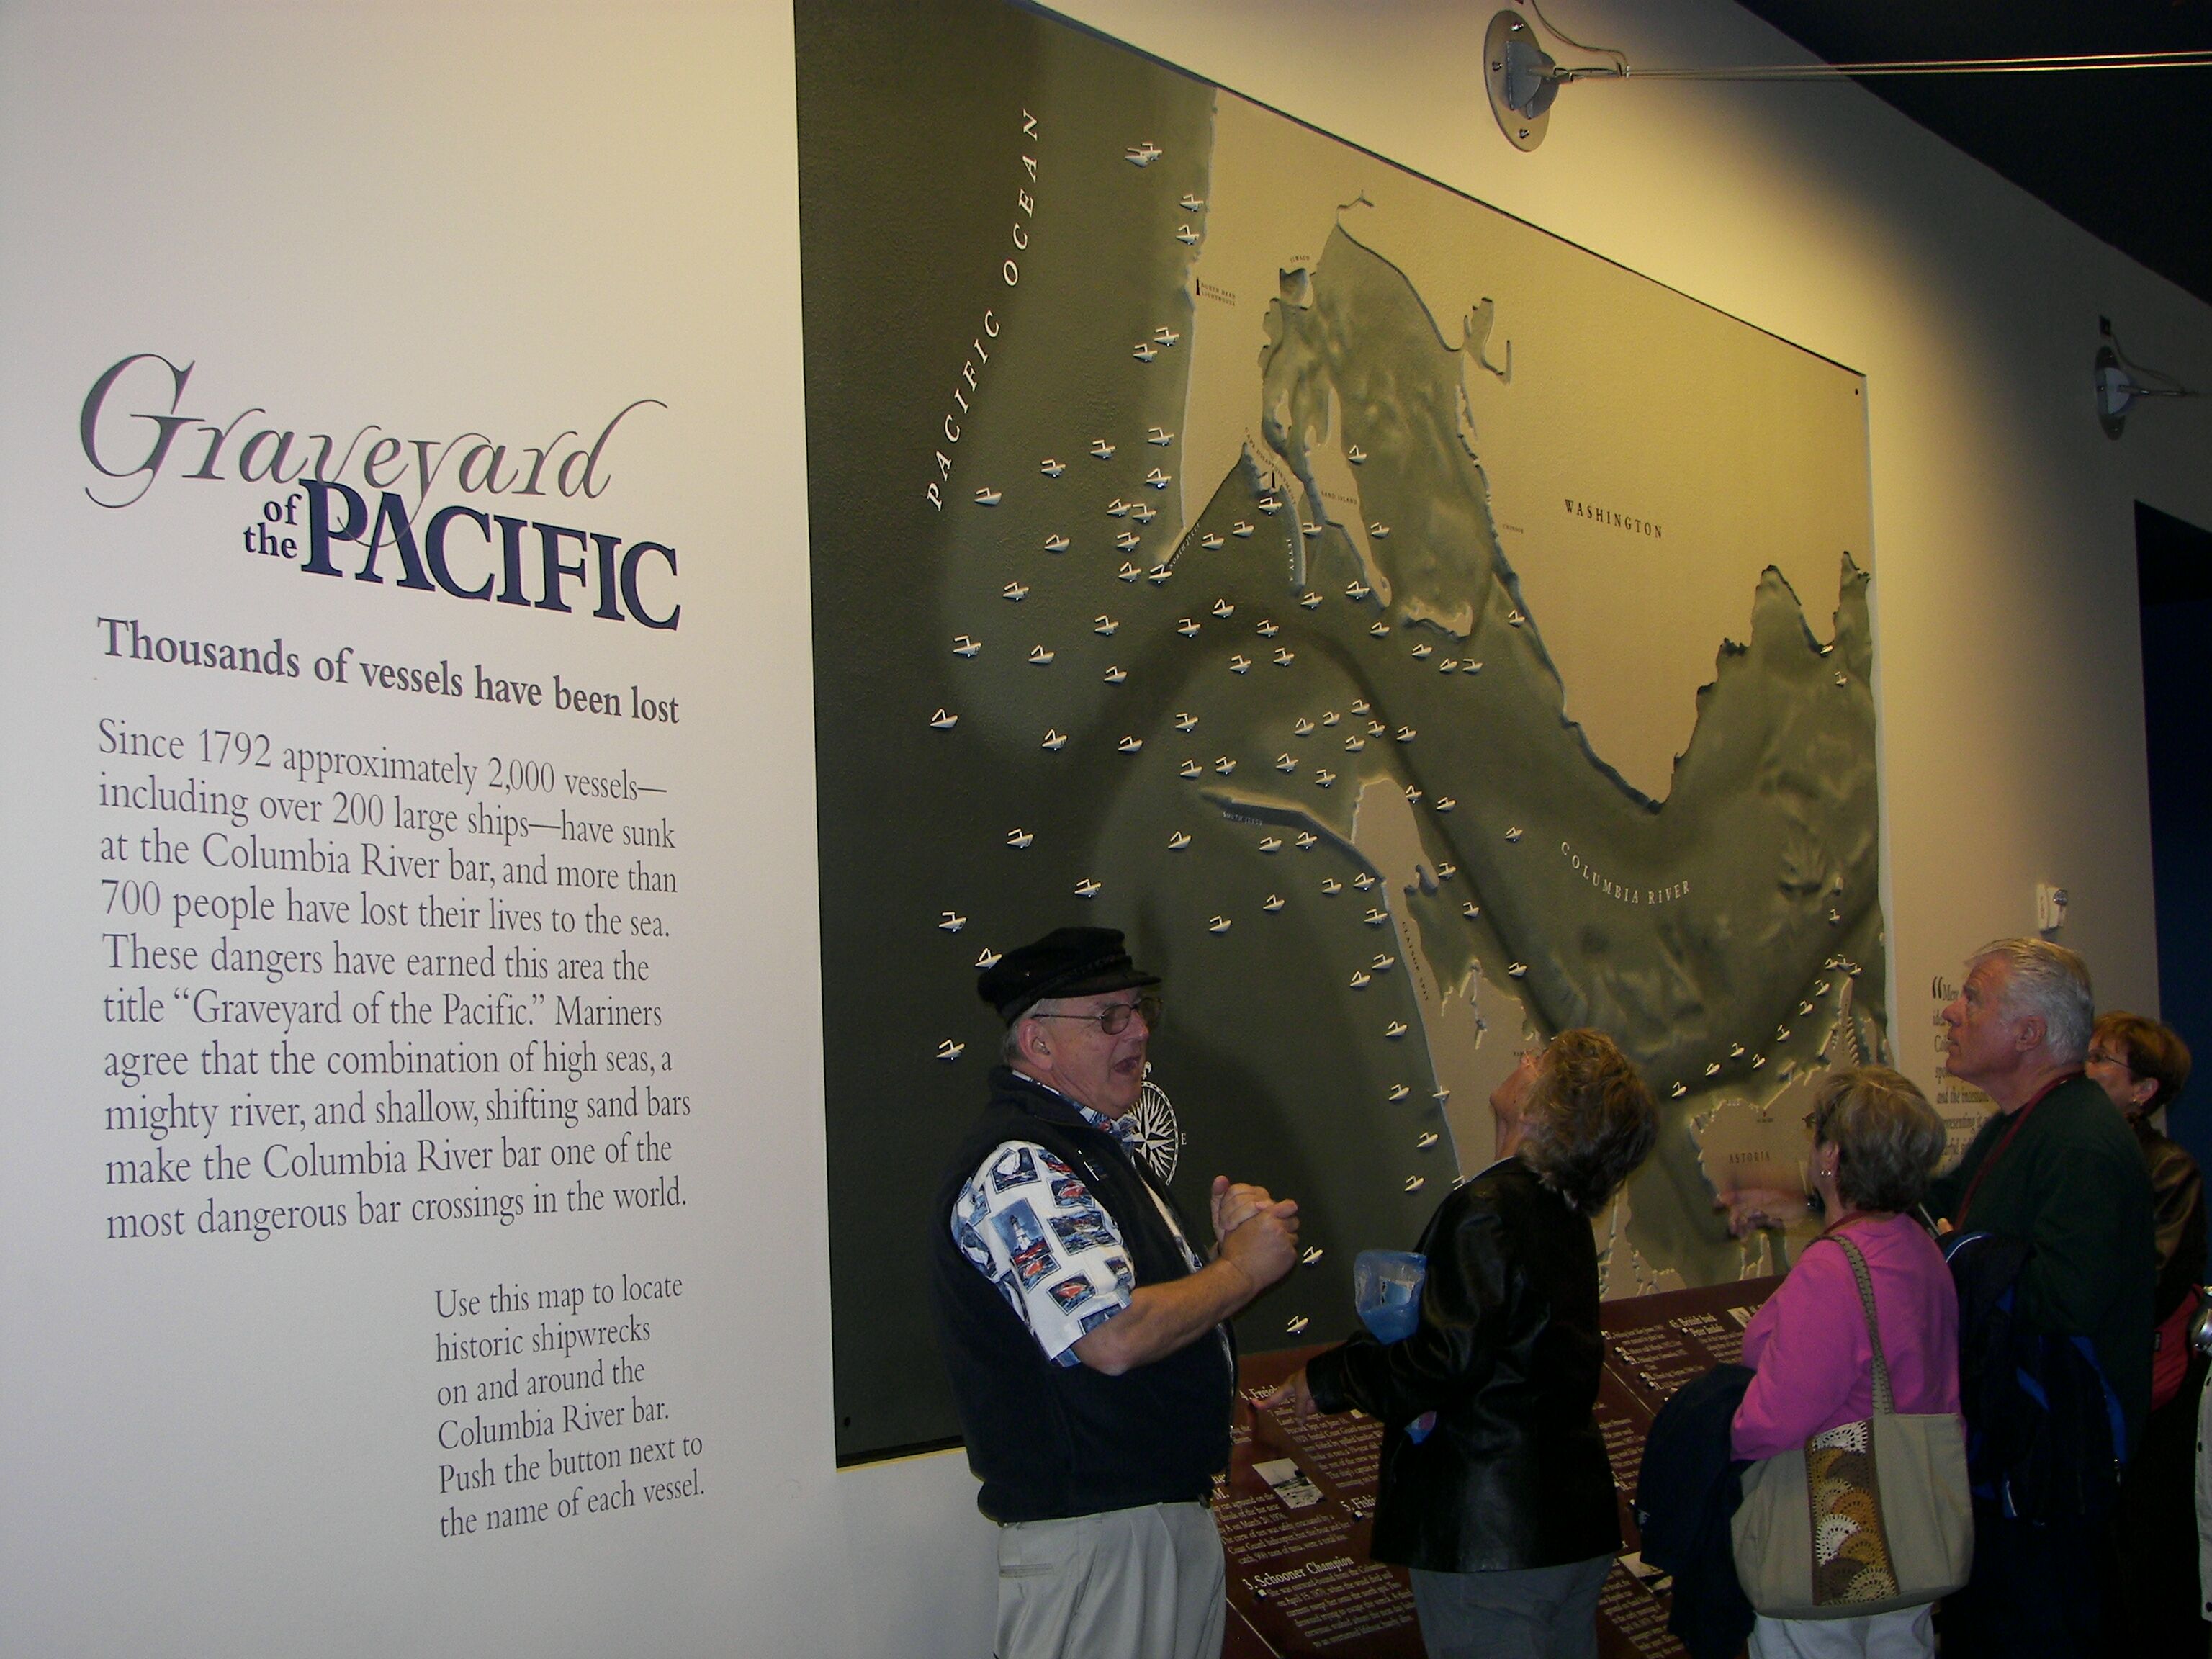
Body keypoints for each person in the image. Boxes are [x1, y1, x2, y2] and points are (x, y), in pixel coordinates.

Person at [927, 925, 1300, 1659]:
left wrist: (1224, 1254)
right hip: (1098, 1546)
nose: (1138, 1033)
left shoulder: (1093, 1150)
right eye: (1109, 1018)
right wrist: (1242, 1271)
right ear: (1038, 1042)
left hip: (1146, 1532)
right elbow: (1112, 1337)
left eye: (1140, 1010)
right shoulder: (1021, 1165)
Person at [1264, 1030, 1658, 1659]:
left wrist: (1332, 1378)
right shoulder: (1561, 1216)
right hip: (1565, 1524)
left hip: (1491, 1537)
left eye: (1539, 1063)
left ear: (1543, 1111)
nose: (1522, 1058)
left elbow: (1447, 1358)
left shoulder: (1489, 1208)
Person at [1921, 939, 2156, 1655]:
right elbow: (1943, 1207)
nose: (1951, 1013)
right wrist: (1828, 1190)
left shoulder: (2079, 1137)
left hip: (2053, 1477)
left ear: (2028, 1033)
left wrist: (1967, 1251)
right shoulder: (2022, 1122)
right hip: (2014, 1467)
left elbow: (2071, 1296)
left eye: (1974, 998)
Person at [1730, 1066, 1960, 1659]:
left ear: (1831, 1156)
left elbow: (1777, 1418)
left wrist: (1718, 1436)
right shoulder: (1920, 1249)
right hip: (1909, 1527)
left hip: (1828, 1538)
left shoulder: (1834, 1268)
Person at [2087, 1010, 2203, 1653]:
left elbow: (2149, 1284)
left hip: (2148, 1397)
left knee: (2150, 1556)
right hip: (2086, 1386)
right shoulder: (2078, 1156)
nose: (2087, 1065)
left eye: (2105, 1058)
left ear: (2144, 1091)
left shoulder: (2169, 1170)